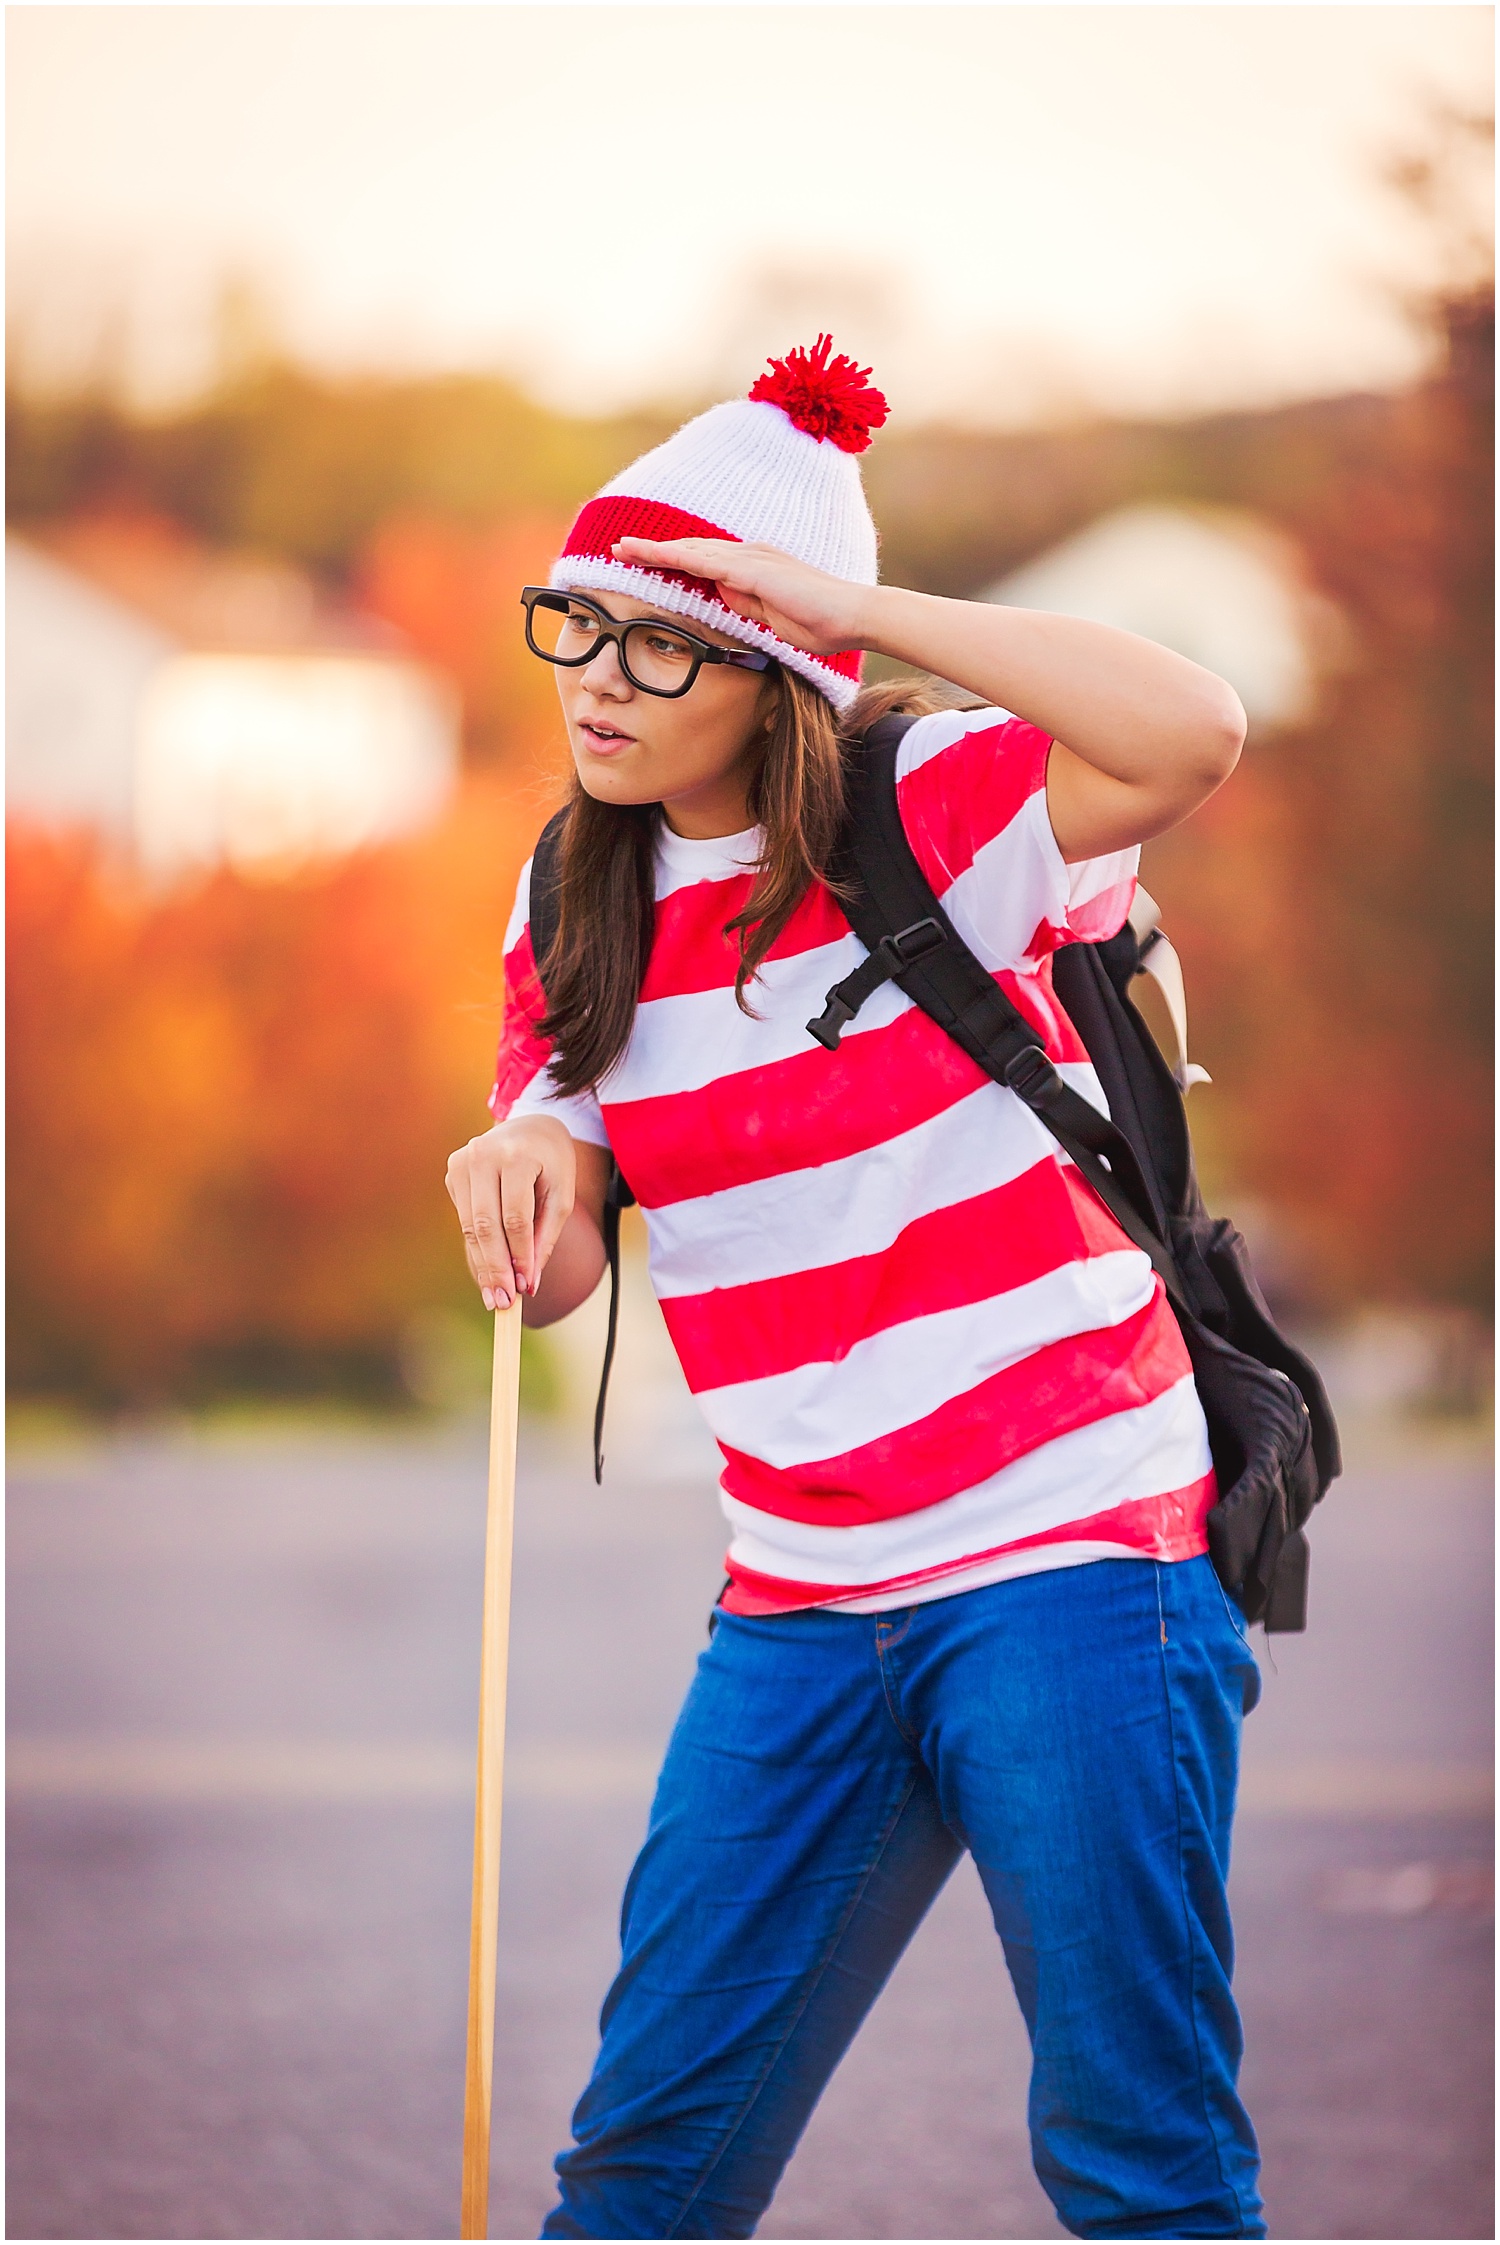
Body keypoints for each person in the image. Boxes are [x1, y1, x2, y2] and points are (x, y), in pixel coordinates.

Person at [445, 337, 1265, 2242]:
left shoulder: (953, 810)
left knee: (1142, 2172)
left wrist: (843, 602)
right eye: (576, 624)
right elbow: (560, 1271)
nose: (598, 681)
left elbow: (1194, 733)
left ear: (778, 664)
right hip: (799, 1595)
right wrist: (518, 1175)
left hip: (1076, 1554)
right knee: (643, 2171)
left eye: (665, 641)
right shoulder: (562, 896)